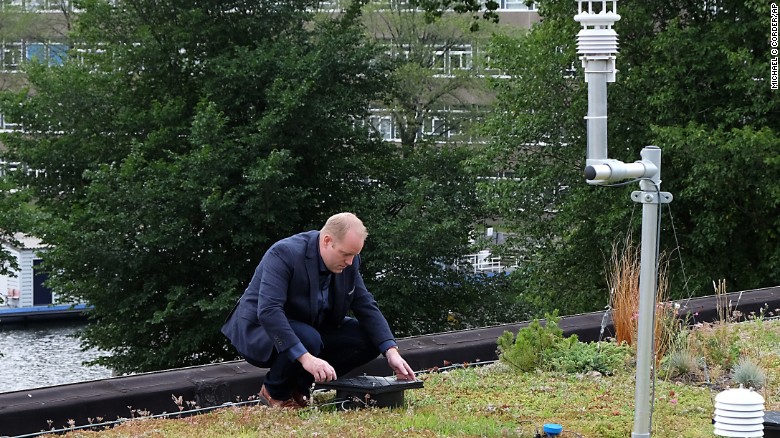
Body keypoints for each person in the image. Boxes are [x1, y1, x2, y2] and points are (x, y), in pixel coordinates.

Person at [221, 212, 415, 409]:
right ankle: (274, 392)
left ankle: (299, 387)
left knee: (371, 339)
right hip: (262, 328)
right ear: (327, 241)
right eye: (345, 254)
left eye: (354, 255)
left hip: (310, 325)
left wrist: (390, 351)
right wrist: (307, 359)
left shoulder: (349, 262)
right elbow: (269, 311)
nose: (350, 262)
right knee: (309, 338)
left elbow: (364, 303)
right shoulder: (284, 253)